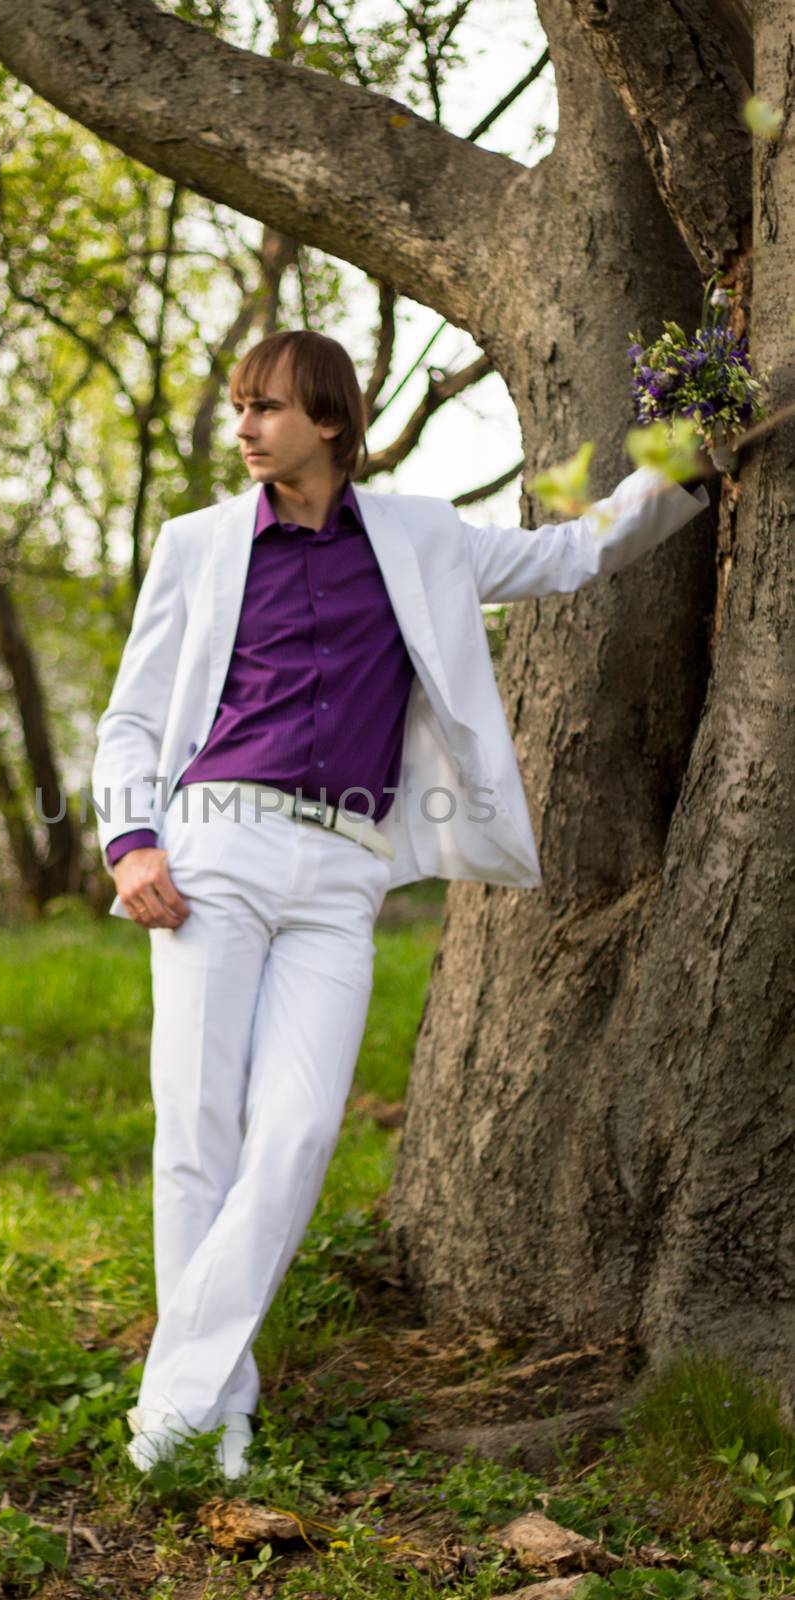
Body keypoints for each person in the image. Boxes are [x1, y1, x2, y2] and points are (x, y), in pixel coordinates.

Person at [89, 329, 710, 1479]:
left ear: (327, 420)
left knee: (301, 1130)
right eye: (237, 407)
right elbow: (131, 717)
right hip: (212, 847)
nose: (242, 427)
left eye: (264, 407)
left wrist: (683, 455)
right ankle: (203, 1421)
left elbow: (571, 556)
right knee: (198, 1133)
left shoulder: (418, 536)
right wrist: (129, 842)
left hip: (339, 872)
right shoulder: (197, 545)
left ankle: (174, 1394)